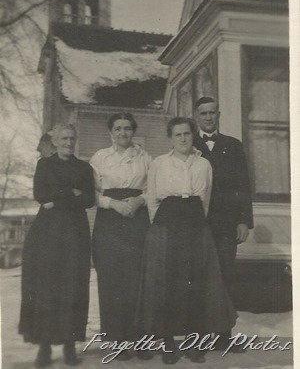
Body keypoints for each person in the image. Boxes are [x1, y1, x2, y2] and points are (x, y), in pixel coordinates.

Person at [137, 117, 237, 364]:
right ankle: (168, 342)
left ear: (193, 136)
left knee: (196, 283)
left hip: (195, 224)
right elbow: (152, 199)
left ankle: (194, 344)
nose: (183, 138)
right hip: (166, 224)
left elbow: (206, 198)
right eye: (177, 135)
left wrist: (196, 224)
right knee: (166, 283)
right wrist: (159, 228)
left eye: (187, 134)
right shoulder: (159, 163)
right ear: (170, 138)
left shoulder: (204, 165)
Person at [19, 123, 95, 367]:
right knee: (46, 287)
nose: (68, 142)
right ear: (55, 141)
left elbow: (89, 199)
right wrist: (69, 192)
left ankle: (70, 345)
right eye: (64, 138)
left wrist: (56, 200)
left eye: (72, 138)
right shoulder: (45, 165)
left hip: (75, 234)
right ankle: (44, 347)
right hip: (47, 235)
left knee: (73, 287)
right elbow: (41, 195)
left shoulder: (84, 168)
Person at [90, 113, 152, 361]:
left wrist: (139, 200)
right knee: (112, 281)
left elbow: (154, 188)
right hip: (109, 221)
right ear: (111, 132)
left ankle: (141, 340)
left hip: (137, 220)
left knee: (138, 279)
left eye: (127, 128)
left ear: (133, 131)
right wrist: (113, 204)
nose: (123, 133)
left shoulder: (145, 158)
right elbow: (90, 192)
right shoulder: (100, 158)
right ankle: (118, 341)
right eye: (118, 128)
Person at [193, 97, 254, 351]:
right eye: (203, 113)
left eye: (212, 113)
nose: (208, 117)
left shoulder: (233, 145)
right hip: (196, 222)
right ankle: (198, 336)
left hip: (227, 223)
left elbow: (243, 185)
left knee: (224, 276)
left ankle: (223, 335)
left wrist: (243, 221)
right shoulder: (189, 142)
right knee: (197, 276)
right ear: (196, 115)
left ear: (219, 114)